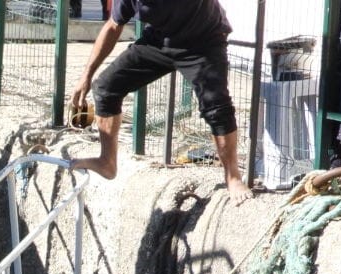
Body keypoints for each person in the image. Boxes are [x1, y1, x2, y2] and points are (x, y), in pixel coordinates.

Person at [71, 0, 251, 204]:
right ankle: (107, 162)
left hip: (203, 42)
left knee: (216, 107)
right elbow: (113, 26)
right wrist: (86, 75)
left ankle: (233, 177)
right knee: (106, 88)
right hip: (160, 41)